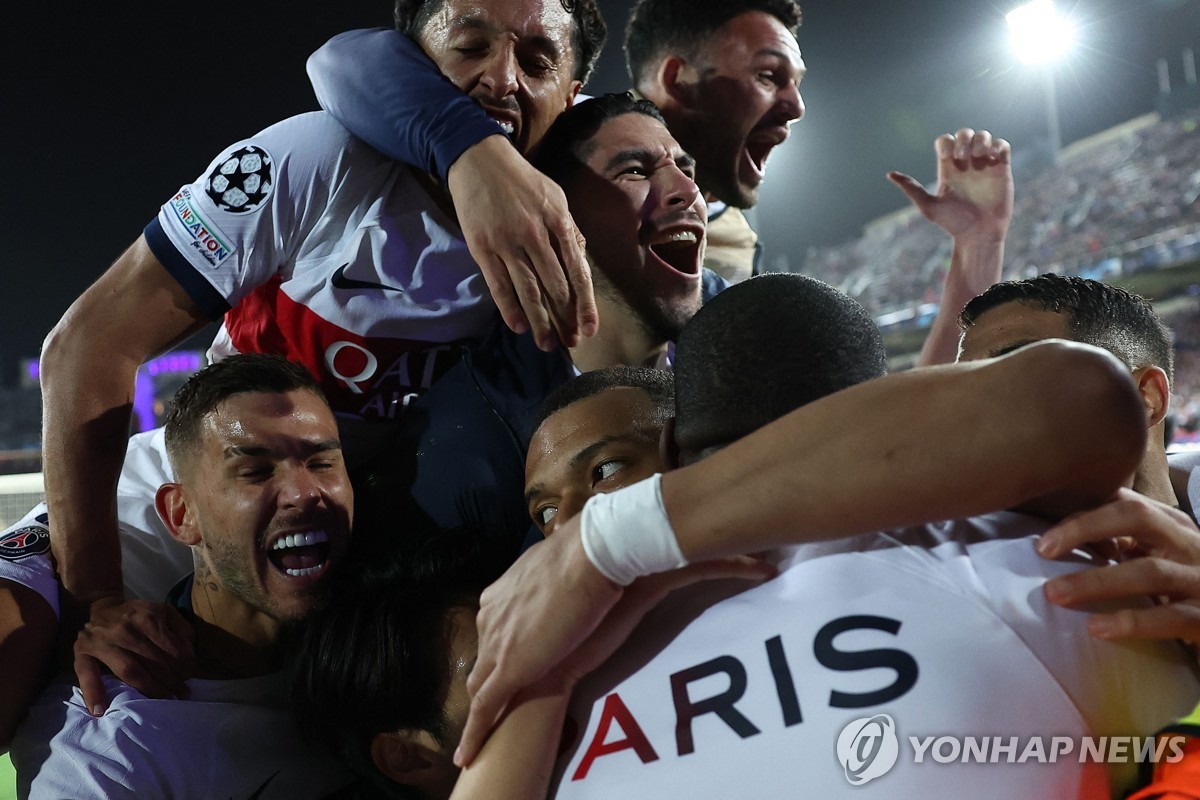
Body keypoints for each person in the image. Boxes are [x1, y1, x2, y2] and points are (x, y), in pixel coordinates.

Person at [0, 0, 605, 745]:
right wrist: (94, 596)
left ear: (574, 94)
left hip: (342, 555)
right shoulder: (319, 157)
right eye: (470, 46)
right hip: (177, 504)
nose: (500, 80)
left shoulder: (584, 211)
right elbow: (85, 346)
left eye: (538, 61)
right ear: (412, 63)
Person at [306, 0, 1011, 364]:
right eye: (770, 77)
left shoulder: (725, 257)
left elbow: (886, 431)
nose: (796, 106)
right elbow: (346, 61)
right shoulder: (552, 142)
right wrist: (474, 155)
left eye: (683, 172)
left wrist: (975, 253)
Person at [10, 354, 354, 798]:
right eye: (255, 471)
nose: (304, 494)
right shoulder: (114, 747)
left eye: (322, 463)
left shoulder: (399, 644)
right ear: (181, 514)